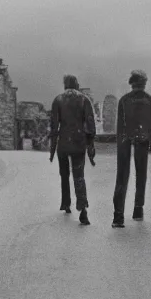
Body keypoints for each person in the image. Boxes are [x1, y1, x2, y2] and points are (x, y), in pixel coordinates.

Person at [112, 69, 151, 228]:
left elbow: (120, 124)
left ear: (132, 83)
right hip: (143, 138)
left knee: (122, 176)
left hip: (125, 138)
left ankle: (118, 216)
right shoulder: (150, 100)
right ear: (144, 83)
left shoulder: (124, 100)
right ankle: (138, 209)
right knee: (141, 174)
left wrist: (120, 142)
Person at [49, 74, 97, 225]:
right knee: (79, 176)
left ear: (65, 85)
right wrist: (90, 145)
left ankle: (66, 203)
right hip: (78, 142)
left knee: (64, 174)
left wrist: (52, 150)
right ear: (76, 84)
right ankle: (83, 210)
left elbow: (54, 127)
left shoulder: (58, 100)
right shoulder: (84, 99)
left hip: (63, 143)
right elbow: (90, 124)